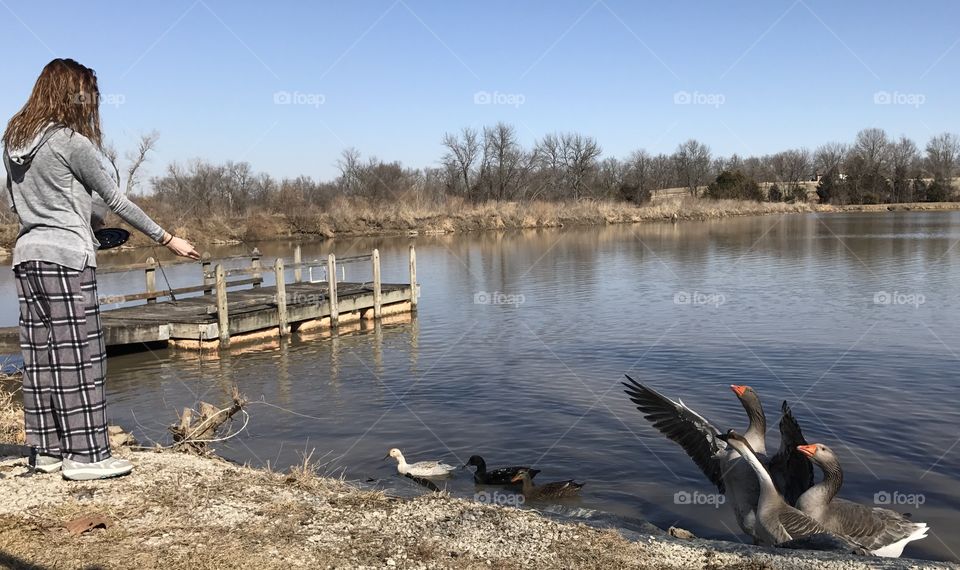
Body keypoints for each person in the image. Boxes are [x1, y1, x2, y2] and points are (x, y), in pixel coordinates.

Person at [2, 58, 200, 480]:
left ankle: (47, 452)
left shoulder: (13, 141)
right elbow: (117, 200)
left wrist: (76, 216)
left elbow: (17, 202)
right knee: (81, 355)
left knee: (41, 357)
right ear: (74, 94)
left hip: (27, 256)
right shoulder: (71, 142)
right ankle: (87, 456)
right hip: (68, 259)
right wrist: (168, 238)